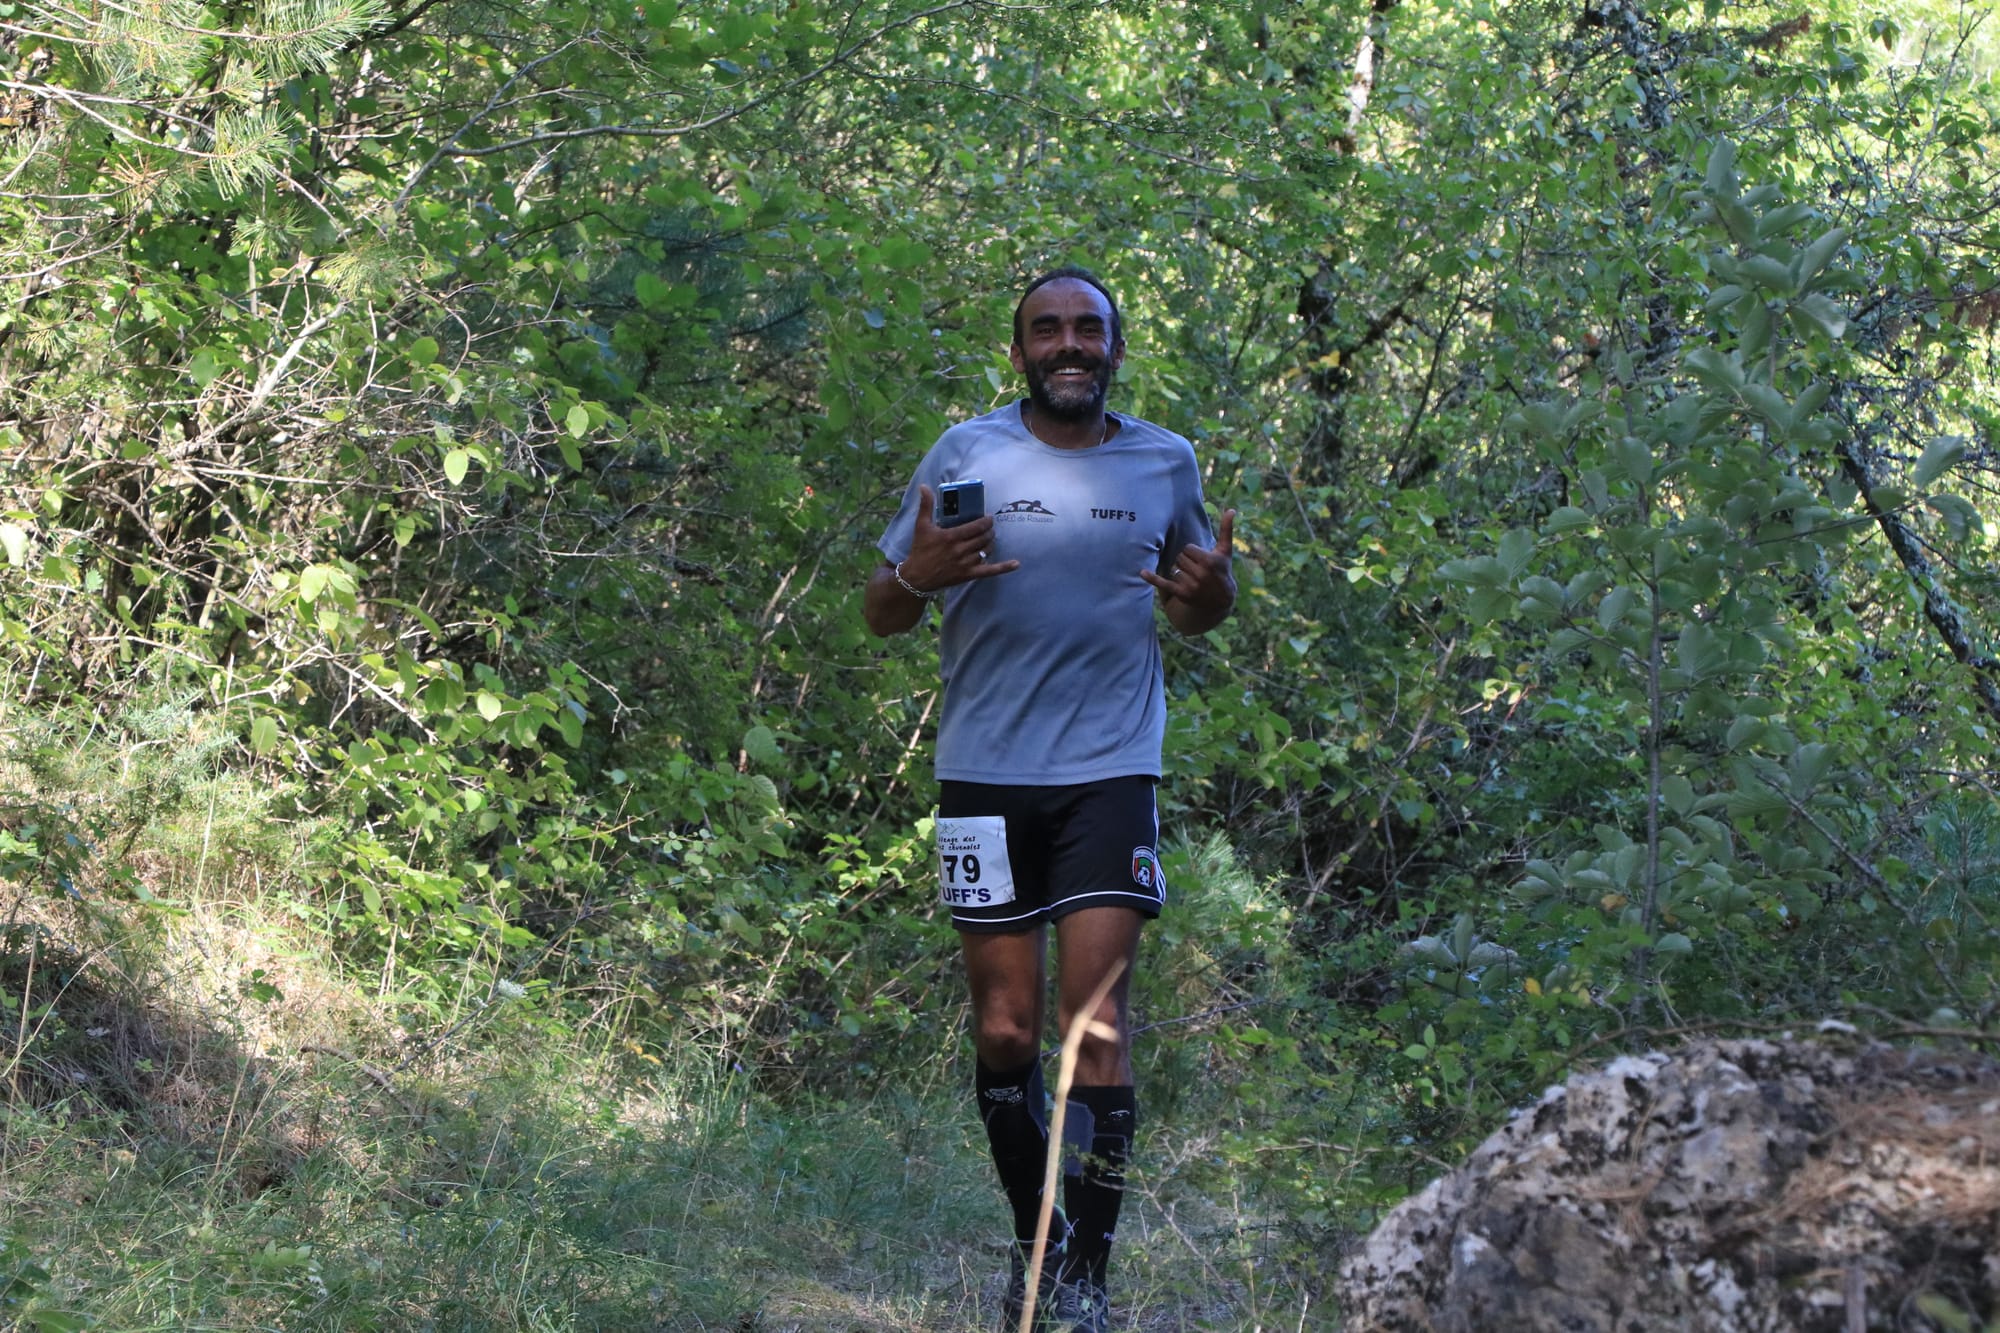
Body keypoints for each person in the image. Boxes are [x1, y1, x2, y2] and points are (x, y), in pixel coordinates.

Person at [863, 266, 1236, 1331]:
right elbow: (881, 610)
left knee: (1096, 1026)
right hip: (982, 775)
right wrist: (921, 572)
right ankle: (1038, 1244)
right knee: (1004, 1027)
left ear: (1115, 346)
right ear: (1018, 348)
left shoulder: (1164, 462)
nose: (1067, 344)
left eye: (1086, 328)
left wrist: (1212, 601)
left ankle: (1085, 1283)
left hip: (1110, 771)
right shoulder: (966, 454)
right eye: (1046, 329)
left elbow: (1198, 598)